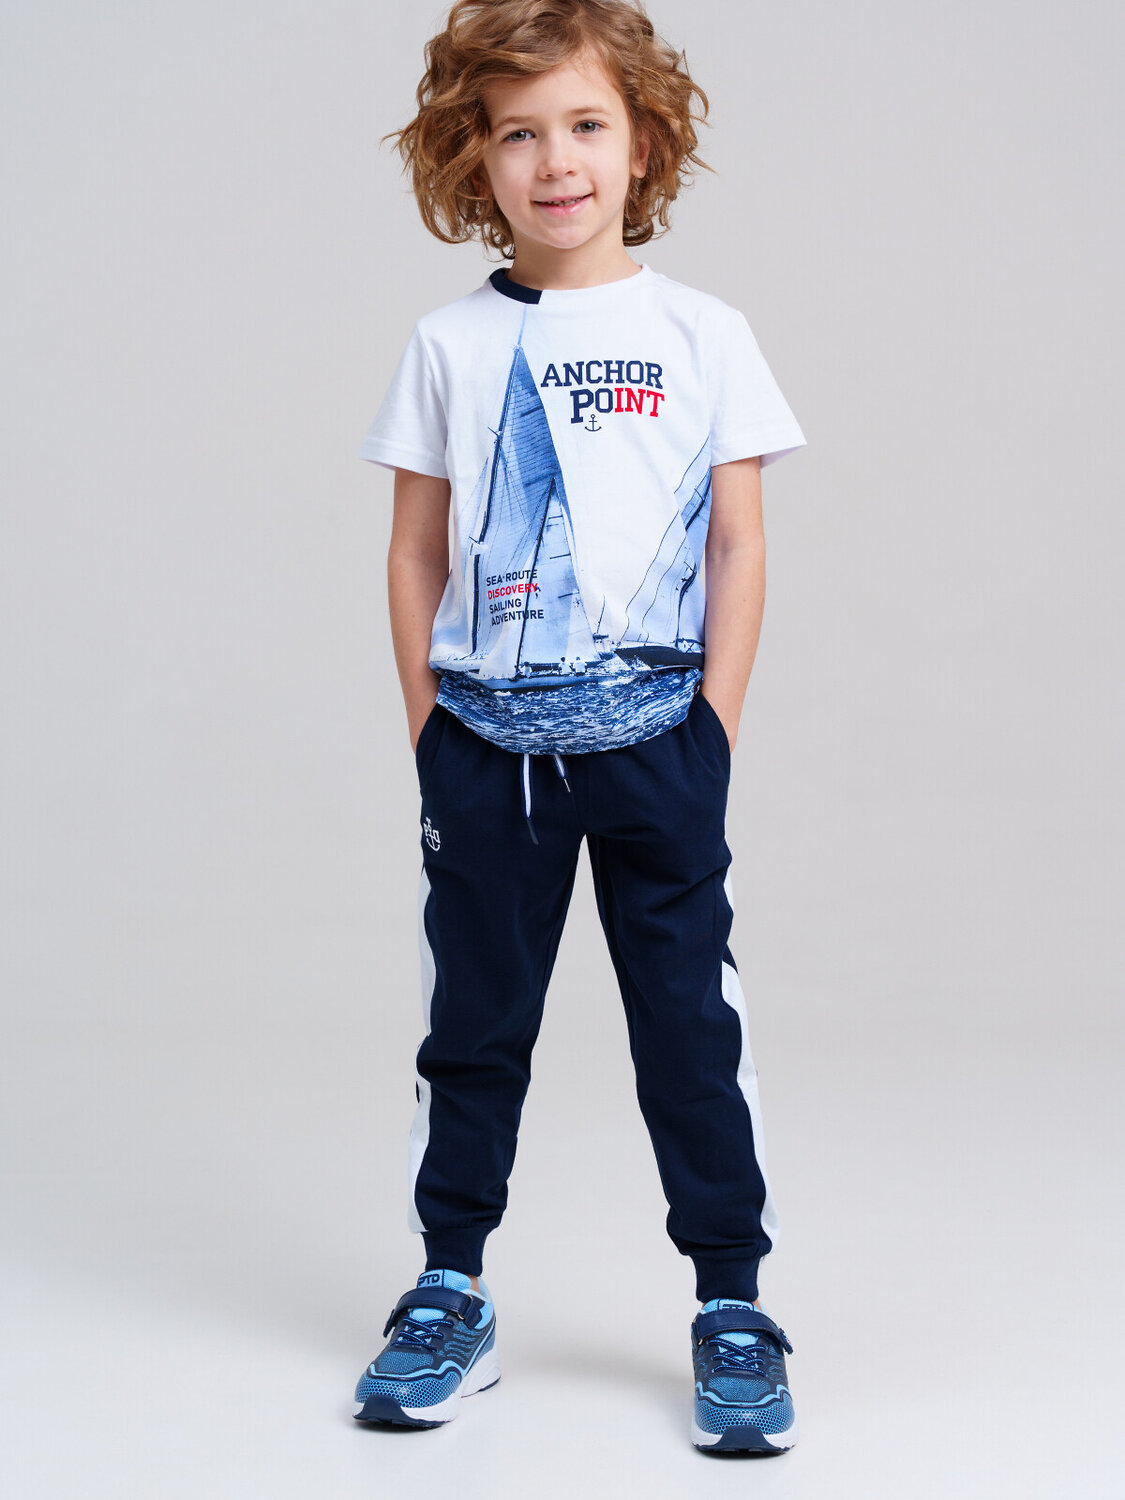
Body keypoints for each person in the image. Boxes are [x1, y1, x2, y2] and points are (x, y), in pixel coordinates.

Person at [351, 0, 806, 1454]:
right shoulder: (448, 343)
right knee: (475, 1025)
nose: (556, 161)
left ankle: (732, 1303)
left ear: (643, 143)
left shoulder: (702, 334)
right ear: (472, 159)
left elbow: (738, 540)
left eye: (587, 125)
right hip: (486, 752)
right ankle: (450, 1286)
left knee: (689, 1029)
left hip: (659, 740)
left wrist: (712, 729)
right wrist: (431, 731)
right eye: (518, 133)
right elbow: (415, 550)